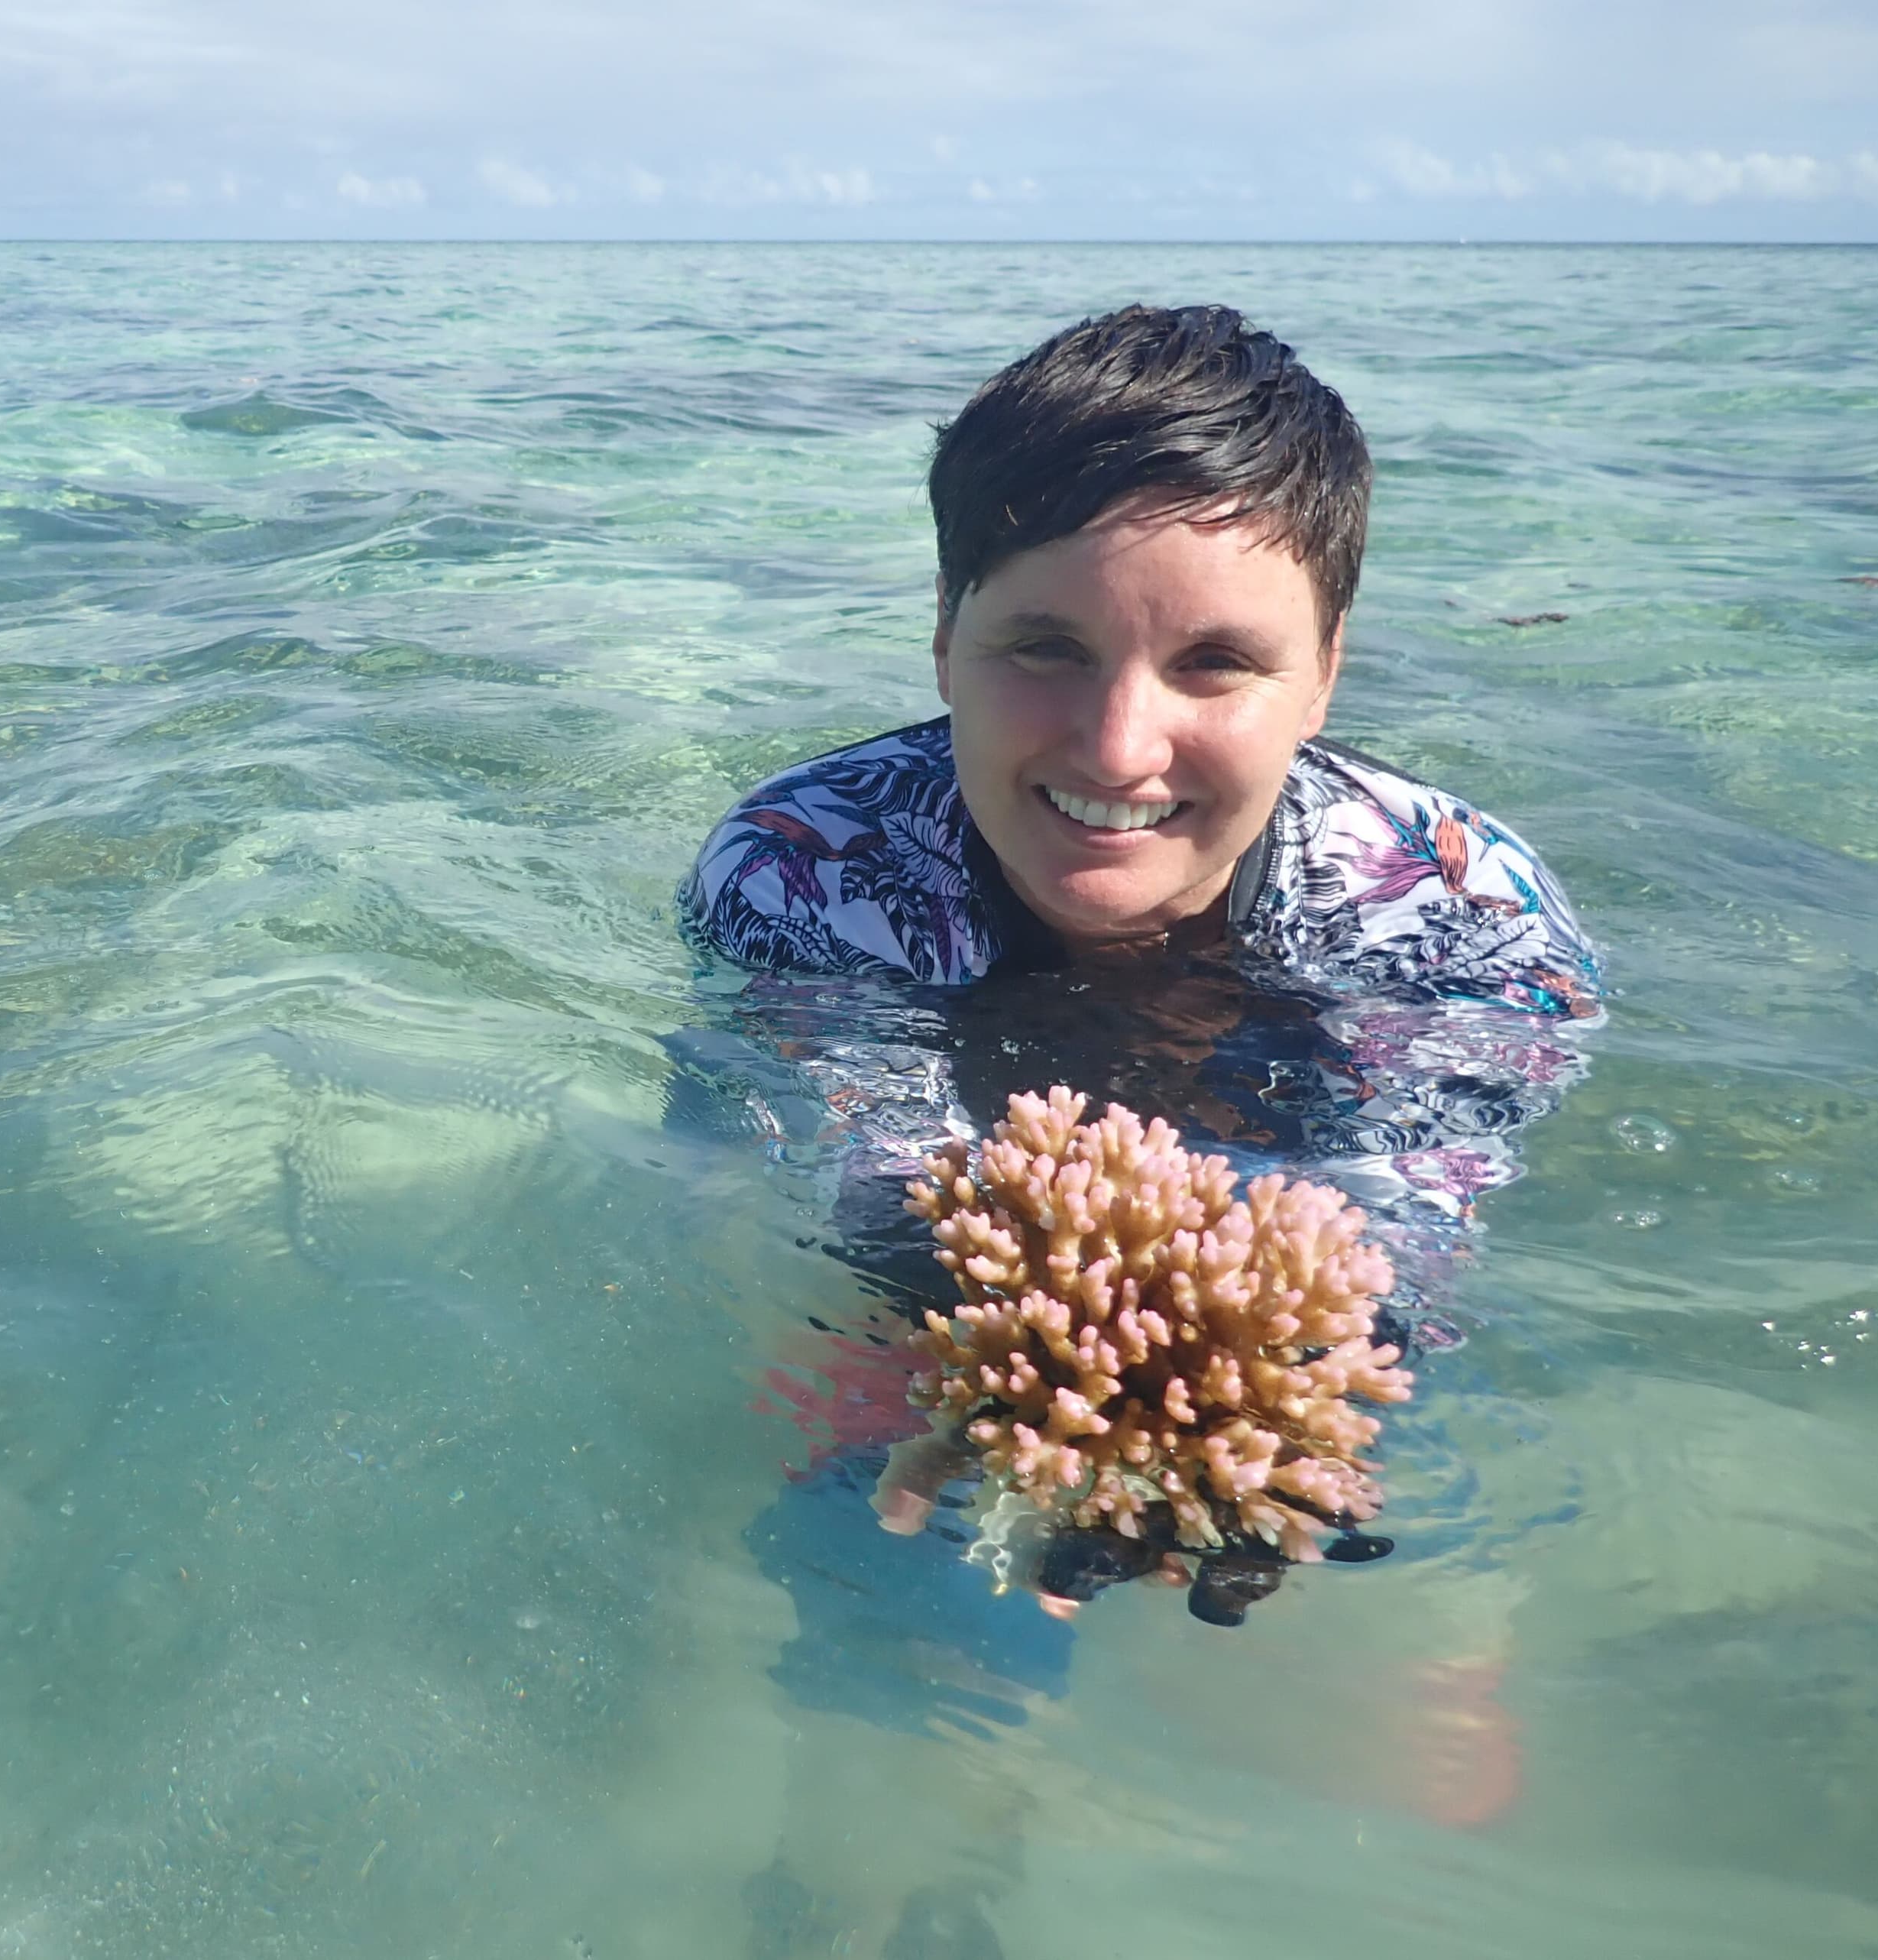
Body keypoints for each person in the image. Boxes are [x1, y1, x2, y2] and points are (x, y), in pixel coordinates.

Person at [679, 303, 1602, 1617]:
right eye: (1047, 647)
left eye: (1215, 661)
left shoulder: (1464, 918)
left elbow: (1400, 1248)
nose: (1120, 748)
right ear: (944, 635)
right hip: (933, 1290)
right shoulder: (803, 867)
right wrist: (1048, 1395)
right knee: (848, 1559)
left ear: (1324, 675)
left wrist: (1238, 1417)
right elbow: (857, 1188)